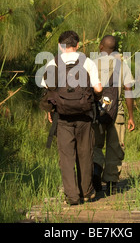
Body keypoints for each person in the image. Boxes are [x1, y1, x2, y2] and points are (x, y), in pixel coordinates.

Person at [41, 30, 103, 205]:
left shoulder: (53, 63)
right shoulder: (87, 62)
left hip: (62, 118)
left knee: (66, 156)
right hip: (84, 116)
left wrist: (49, 111)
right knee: (85, 154)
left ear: (61, 46)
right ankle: (87, 192)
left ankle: (72, 196)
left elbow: (48, 90)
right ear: (77, 45)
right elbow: (98, 89)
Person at [92, 35, 135, 195]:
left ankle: (96, 170)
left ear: (101, 47)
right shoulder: (122, 65)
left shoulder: (92, 64)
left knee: (95, 144)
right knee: (114, 146)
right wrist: (131, 116)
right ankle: (110, 183)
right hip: (117, 112)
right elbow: (128, 91)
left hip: (97, 111)